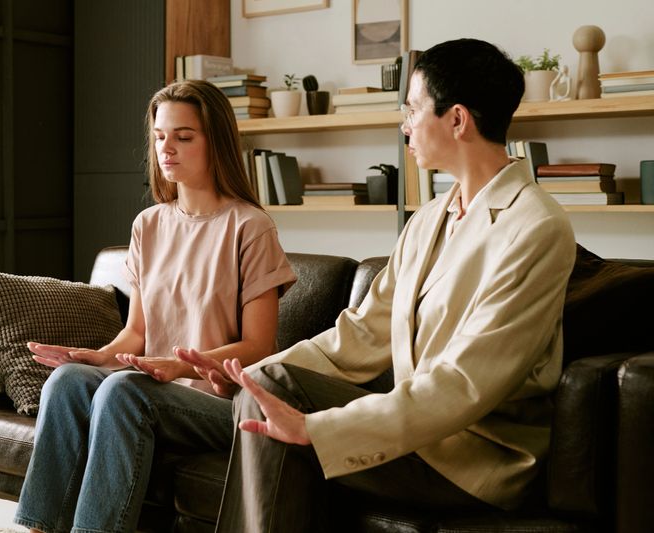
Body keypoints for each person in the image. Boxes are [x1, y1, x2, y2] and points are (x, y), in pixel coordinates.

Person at [180, 38, 577, 531]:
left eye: (411, 108)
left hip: (473, 456)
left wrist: (317, 428)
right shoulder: (429, 217)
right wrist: (248, 372)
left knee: (275, 399)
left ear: (457, 120)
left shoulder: (536, 227)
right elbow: (361, 335)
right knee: (263, 388)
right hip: (416, 435)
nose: (405, 124)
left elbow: (466, 382)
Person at [12, 79, 296, 533]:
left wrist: (177, 368)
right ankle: (38, 528)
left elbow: (259, 346)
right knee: (67, 381)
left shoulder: (250, 227)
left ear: (216, 142)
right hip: (155, 386)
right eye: (160, 136)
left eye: (184, 137)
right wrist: (99, 356)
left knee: (123, 391)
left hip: (222, 403)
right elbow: (137, 333)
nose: (168, 148)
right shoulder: (149, 224)